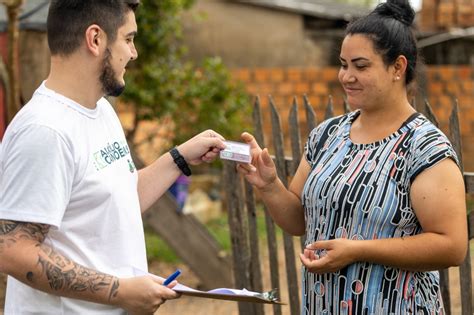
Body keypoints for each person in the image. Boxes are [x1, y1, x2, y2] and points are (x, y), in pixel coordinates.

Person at [237, 0, 467, 314]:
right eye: (343, 64)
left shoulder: (424, 147)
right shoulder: (327, 135)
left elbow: (451, 247)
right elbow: (298, 220)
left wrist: (358, 251)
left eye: (361, 66)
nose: (346, 76)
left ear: (397, 68)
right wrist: (269, 185)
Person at [0, 1, 226, 314]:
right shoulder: (45, 131)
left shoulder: (101, 110)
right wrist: (119, 291)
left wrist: (178, 158)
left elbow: (115, 201)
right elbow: (14, 250)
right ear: (95, 39)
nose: (133, 53)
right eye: (129, 39)